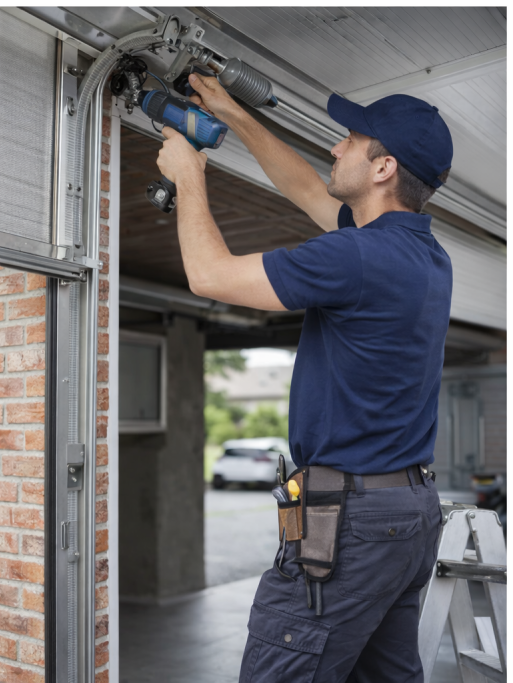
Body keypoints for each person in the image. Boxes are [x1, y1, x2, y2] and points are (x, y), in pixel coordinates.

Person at [157, 73, 453, 682]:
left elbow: (209, 276)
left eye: (351, 139)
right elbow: (304, 188)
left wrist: (190, 175)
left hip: (352, 524)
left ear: (383, 168)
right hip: (406, 515)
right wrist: (233, 115)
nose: (337, 148)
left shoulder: (358, 257)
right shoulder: (422, 254)